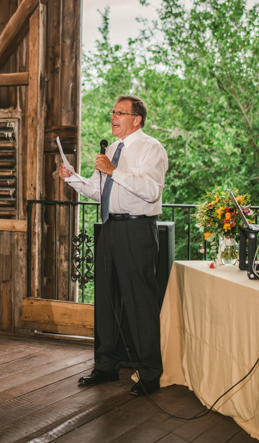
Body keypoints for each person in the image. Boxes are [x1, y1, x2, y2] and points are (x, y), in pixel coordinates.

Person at [58, 94, 168, 397]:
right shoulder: (112, 150)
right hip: (109, 228)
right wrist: (73, 178)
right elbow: (97, 190)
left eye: (121, 113)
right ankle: (105, 366)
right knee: (106, 300)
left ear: (137, 119)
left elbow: (150, 190)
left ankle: (149, 374)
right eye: (113, 112)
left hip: (137, 229)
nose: (113, 117)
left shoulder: (151, 149)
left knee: (139, 302)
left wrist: (113, 171)